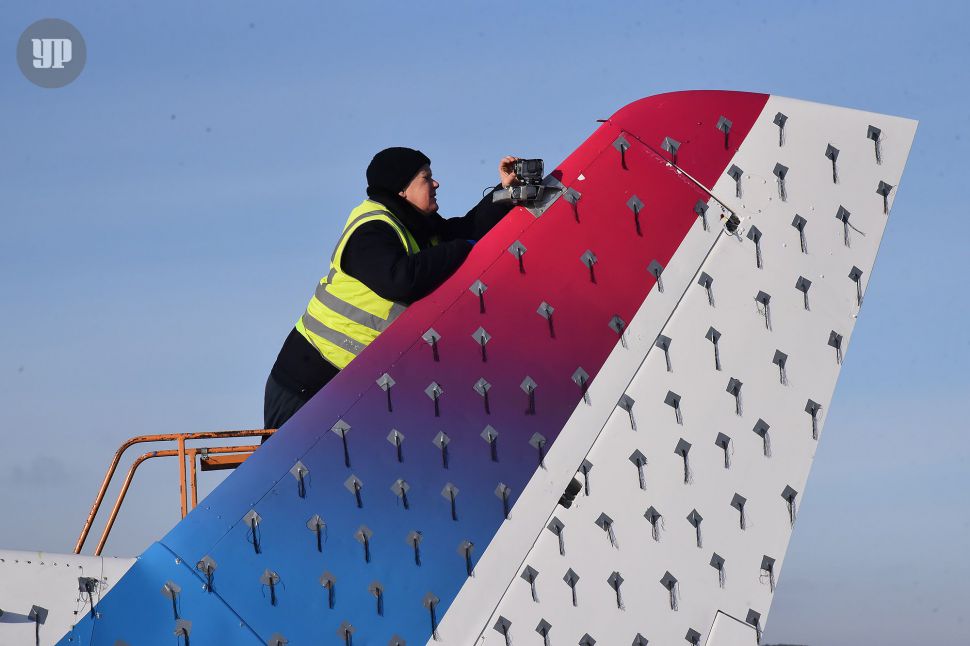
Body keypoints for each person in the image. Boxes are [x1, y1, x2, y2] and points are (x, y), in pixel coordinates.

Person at [264, 147, 519, 430]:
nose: (436, 184)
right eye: (426, 178)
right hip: (306, 382)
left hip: (346, 384)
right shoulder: (371, 228)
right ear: (402, 189)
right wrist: (460, 249)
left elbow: (464, 231)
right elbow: (400, 280)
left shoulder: (415, 224)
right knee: (287, 460)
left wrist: (506, 192)